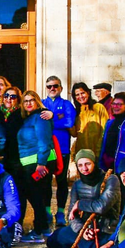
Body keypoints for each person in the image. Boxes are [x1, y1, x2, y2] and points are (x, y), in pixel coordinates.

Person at [46, 150, 120, 248]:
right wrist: (82, 230)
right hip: (85, 228)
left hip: (105, 229)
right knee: (54, 239)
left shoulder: (111, 179)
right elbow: (71, 215)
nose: (84, 168)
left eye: (88, 164)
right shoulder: (77, 184)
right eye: (80, 165)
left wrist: (80, 204)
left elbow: (102, 206)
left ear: (94, 163)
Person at [17, 90, 56, 242]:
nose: (28, 103)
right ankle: (44, 228)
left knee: (35, 196)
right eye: (25, 101)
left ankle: (39, 230)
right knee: (35, 195)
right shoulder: (28, 118)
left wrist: (41, 164)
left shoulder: (41, 117)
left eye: (32, 100)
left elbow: (44, 142)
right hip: (29, 162)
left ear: (37, 101)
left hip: (38, 162)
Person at [42, 76, 75, 227]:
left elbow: (69, 122)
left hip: (62, 148)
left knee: (61, 182)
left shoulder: (66, 104)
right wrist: (57, 121)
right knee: (46, 182)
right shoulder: (42, 104)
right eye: (49, 86)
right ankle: (47, 212)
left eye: (55, 86)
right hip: (47, 149)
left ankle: (61, 212)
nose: (52, 89)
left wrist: (52, 117)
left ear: (60, 88)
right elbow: (39, 123)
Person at [0, 87, 26, 239]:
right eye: (6, 96)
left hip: (17, 158)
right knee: (3, 192)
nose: (9, 99)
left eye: (13, 96)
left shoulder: (21, 114)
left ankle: (18, 224)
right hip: (1, 159)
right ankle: (4, 223)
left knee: (18, 192)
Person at [71, 82, 109, 159]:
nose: (80, 96)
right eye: (77, 95)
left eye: (82, 93)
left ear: (88, 93)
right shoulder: (77, 112)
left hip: (97, 152)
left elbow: (105, 130)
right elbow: (74, 134)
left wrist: (99, 150)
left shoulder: (98, 107)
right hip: (82, 154)